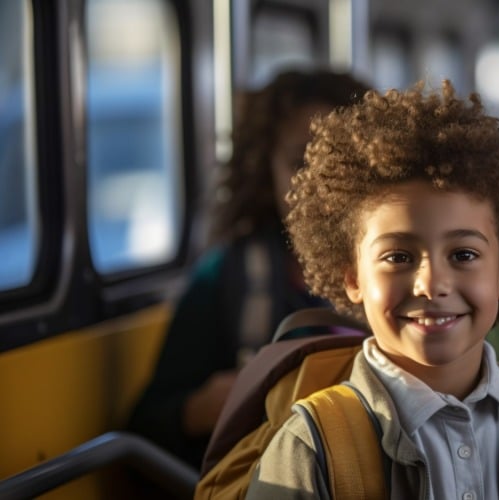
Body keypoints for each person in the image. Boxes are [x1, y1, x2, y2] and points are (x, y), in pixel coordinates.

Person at [244, 81, 499, 499]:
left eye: (463, 255)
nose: (432, 284)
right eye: (398, 258)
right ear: (352, 278)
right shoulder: (312, 447)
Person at [127, 69, 370, 469]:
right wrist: (206, 407)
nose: (319, 184)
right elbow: (146, 429)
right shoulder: (226, 278)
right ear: (265, 171)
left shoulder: (414, 272)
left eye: (341, 162)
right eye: (298, 162)